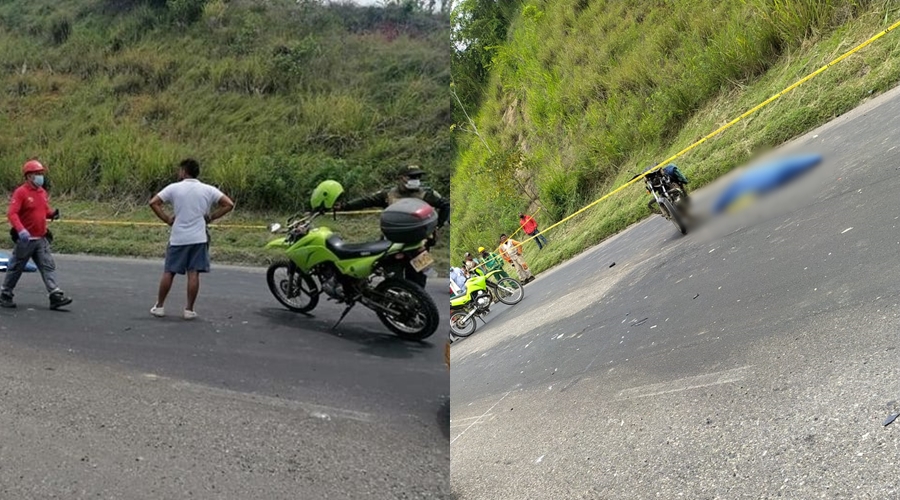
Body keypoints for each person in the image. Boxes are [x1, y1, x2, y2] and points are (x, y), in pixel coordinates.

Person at [149, 158, 234, 320]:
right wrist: (212, 217)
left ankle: (159, 306)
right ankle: (189, 309)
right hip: (199, 237)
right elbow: (228, 204)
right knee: (193, 273)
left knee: (169, 272)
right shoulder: (208, 190)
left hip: (178, 237)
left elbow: (154, 203)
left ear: (183, 171)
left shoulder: (174, 188)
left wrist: (167, 219)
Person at [337, 165, 449, 287]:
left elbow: (446, 205)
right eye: (411, 176)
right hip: (392, 245)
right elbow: (366, 201)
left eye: (418, 176)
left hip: (419, 246)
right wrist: (344, 206)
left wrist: (436, 227)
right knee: (393, 280)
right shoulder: (388, 195)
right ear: (400, 178)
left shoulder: (427, 194)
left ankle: (419, 304)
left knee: (419, 282)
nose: (415, 179)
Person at [0, 160, 72, 309]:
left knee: (48, 266)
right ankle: (5, 293)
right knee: (16, 267)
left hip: (41, 238)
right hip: (26, 240)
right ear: (28, 177)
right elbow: (12, 214)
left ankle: (55, 295)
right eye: (37, 174)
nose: (40, 177)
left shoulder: (42, 193)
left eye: (41, 174)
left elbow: (44, 211)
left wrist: (52, 214)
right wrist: (21, 230)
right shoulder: (21, 192)